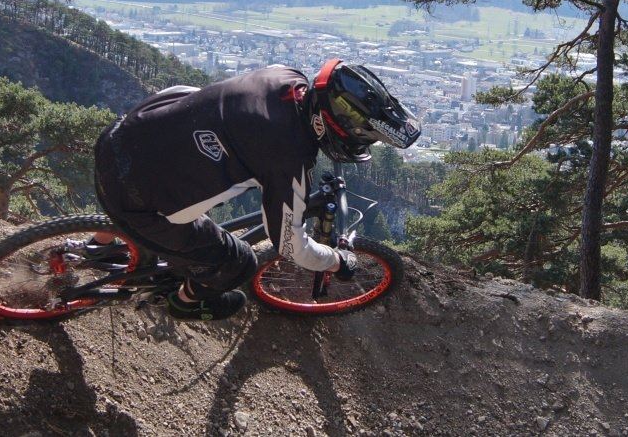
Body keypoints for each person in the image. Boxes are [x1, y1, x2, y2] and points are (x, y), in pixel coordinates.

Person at [89, 60, 420, 321]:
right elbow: (290, 247)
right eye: (364, 139)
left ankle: (99, 246)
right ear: (340, 129)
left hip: (118, 138)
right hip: (135, 200)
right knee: (241, 263)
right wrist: (337, 261)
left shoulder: (285, 76)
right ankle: (185, 303)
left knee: (188, 102)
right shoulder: (289, 158)